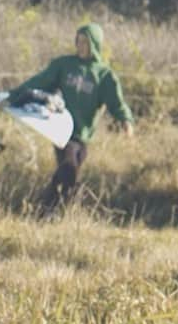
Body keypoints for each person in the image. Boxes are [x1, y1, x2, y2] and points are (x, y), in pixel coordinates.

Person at [7, 21, 134, 213]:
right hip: (61, 128)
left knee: (70, 174)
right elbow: (40, 82)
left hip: (83, 134)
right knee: (69, 167)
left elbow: (116, 102)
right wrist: (13, 95)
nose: (81, 47)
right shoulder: (64, 65)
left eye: (86, 43)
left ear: (95, 45)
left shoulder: (103, 75)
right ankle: (48, 210)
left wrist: (126, 121)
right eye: (79, 42)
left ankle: (53, 209)